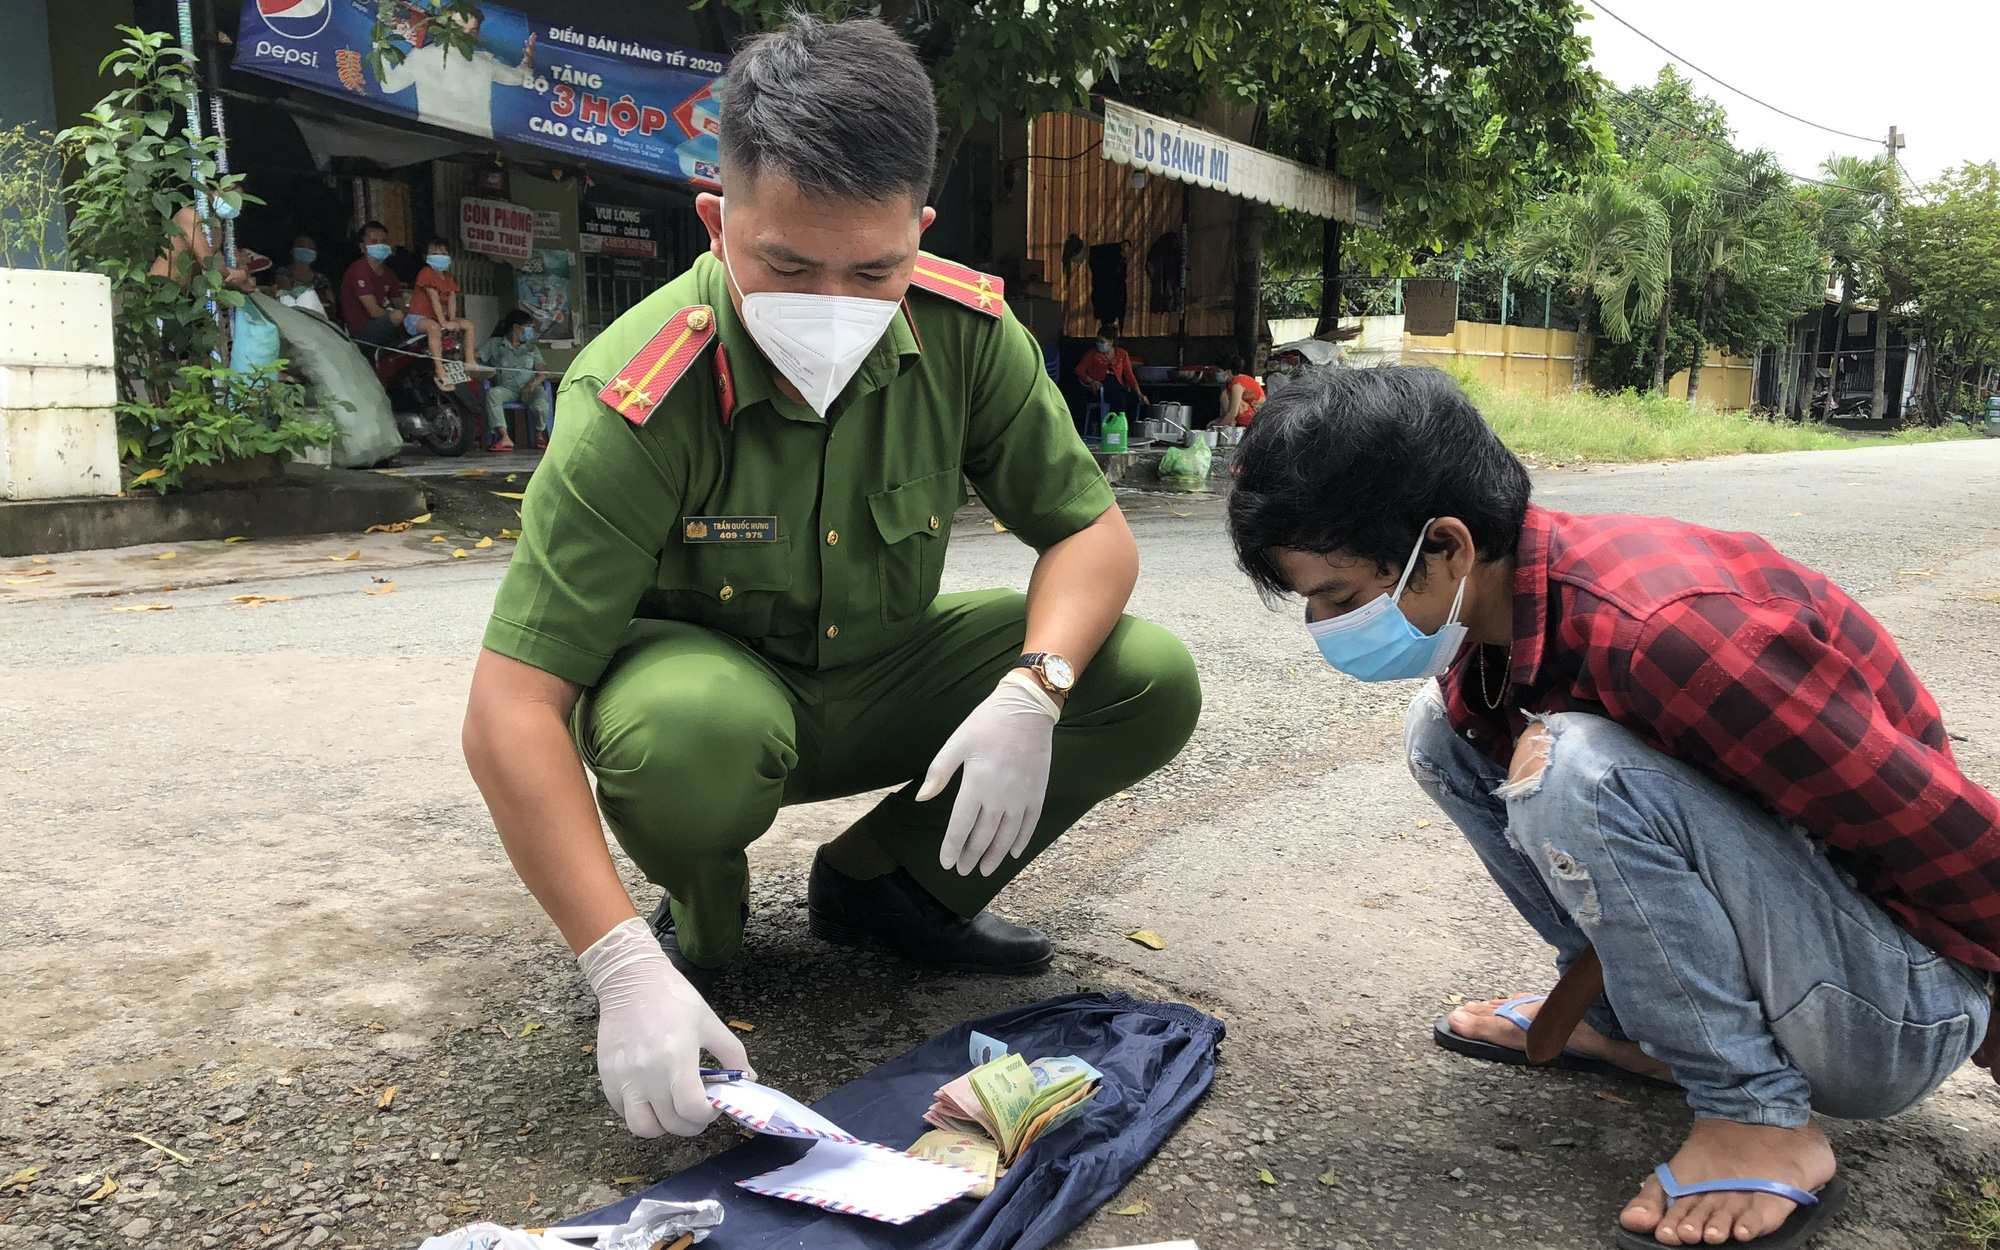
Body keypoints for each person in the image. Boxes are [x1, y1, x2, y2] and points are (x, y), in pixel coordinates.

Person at [460, 15, 1201, 1142]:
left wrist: (1033, 689)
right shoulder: (635, 395)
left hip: (879, 675)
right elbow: (512, 705)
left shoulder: (966, 331)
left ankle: (889, 890)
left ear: (920, 232)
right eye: (787, 265)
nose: (837, 307)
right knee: (686, 731)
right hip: (718, 699)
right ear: (716, 222)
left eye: (876, 269)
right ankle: (695, 930)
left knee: (1140, 672)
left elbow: (1091, 537)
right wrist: (612, 961)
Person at [1225, 365, 1993, 1248]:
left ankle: (1759, 1120)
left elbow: (1937, 830)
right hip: (1805, 966)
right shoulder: (1508, 618)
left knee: (1575, 770)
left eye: (1342, 597)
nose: (1327, 625)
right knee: (1445, 730)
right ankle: (1632, 1023)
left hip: (1891, 1010)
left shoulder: (1671, 630)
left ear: (1446, 547)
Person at [376, 8, 535, 141]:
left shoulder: (484, 61)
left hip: (475, 145)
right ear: (446, 26)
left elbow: (520, 77)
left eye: (471, 31)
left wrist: (528, 58)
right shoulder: (421, 56)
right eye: (459, 28)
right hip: (435, 141)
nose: (464, 35)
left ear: (477, 35)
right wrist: (380, 49)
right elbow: (389, 86)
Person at [413, 237, 482, 387]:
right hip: (418, 318)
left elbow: (452, 299)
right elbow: (434, 299)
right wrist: (443, 322)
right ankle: (441, 371)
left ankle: (470, 362)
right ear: (426, 257)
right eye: (434, 253)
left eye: (443, 253)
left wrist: (452, 319)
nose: (440, 256)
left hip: (440, 318)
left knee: (468, 325)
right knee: (434, 328)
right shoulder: (426, 273)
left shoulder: (449, 277)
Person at [477, 310, 549, 453]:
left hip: (531, 388)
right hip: (507, 389)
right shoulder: (495, 344)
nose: (531, 331)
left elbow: (542, 371)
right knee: (492, 394)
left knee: (540, 405)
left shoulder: (532, 348)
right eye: (528, 327)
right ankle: (505, 438)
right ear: (516, 327)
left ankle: (539, 435)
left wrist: (531, 385)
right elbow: (474, 355)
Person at [340, 221, 411, 348]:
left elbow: (399, 303)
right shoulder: (359, 270)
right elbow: (374, 311)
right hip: (360, 331)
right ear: (362, 247)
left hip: (381, 325)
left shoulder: (388, 273)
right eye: (374, 242)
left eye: (383, 241)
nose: (380, 245)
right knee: (398, 317)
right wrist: (400, 316)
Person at [1074, 324, 1147, 418]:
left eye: (1102, 341)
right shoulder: (1092, 353)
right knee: (1118, 397)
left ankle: (1126, 428)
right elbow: (1079, 370)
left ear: (1111, 342)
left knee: (1132, 399)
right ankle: (1114, 425)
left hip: (1118, 386)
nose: (1098, 344)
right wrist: (1091, 381)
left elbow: (1129, 375)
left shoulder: (1122, 354)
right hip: (1101, 388)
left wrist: (1139, 393)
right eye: (1097, 341)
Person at [1216, 355, 1265, 427]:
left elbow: (1233, 411)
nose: (1217, 374)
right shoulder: (1235, 381)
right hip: (1255, 414)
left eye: (1219, 371)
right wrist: (1219, 420)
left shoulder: (1237, 385)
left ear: (1228, 371)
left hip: (1256, 418)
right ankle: (1230, 422)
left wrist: (1218, 426)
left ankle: (1231, 424)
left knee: (1224, 395)